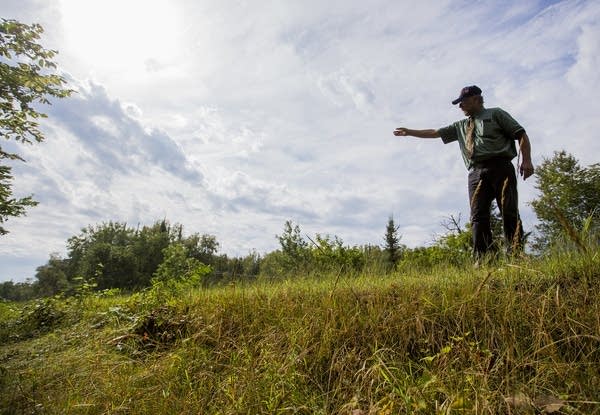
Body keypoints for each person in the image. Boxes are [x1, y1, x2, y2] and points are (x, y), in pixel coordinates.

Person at [393, 85, 534, 261]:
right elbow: (435, 132)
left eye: (463, 102)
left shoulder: (496, 114)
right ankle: (482, 259)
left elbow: (521, 134)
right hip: (475, 173)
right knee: (478, 216)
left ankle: (515, 255)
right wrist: (409, 132)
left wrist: (527, 160)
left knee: (509, 211)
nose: (460, 107)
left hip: (500, 166)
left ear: (476, 99)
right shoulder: (461, 125)